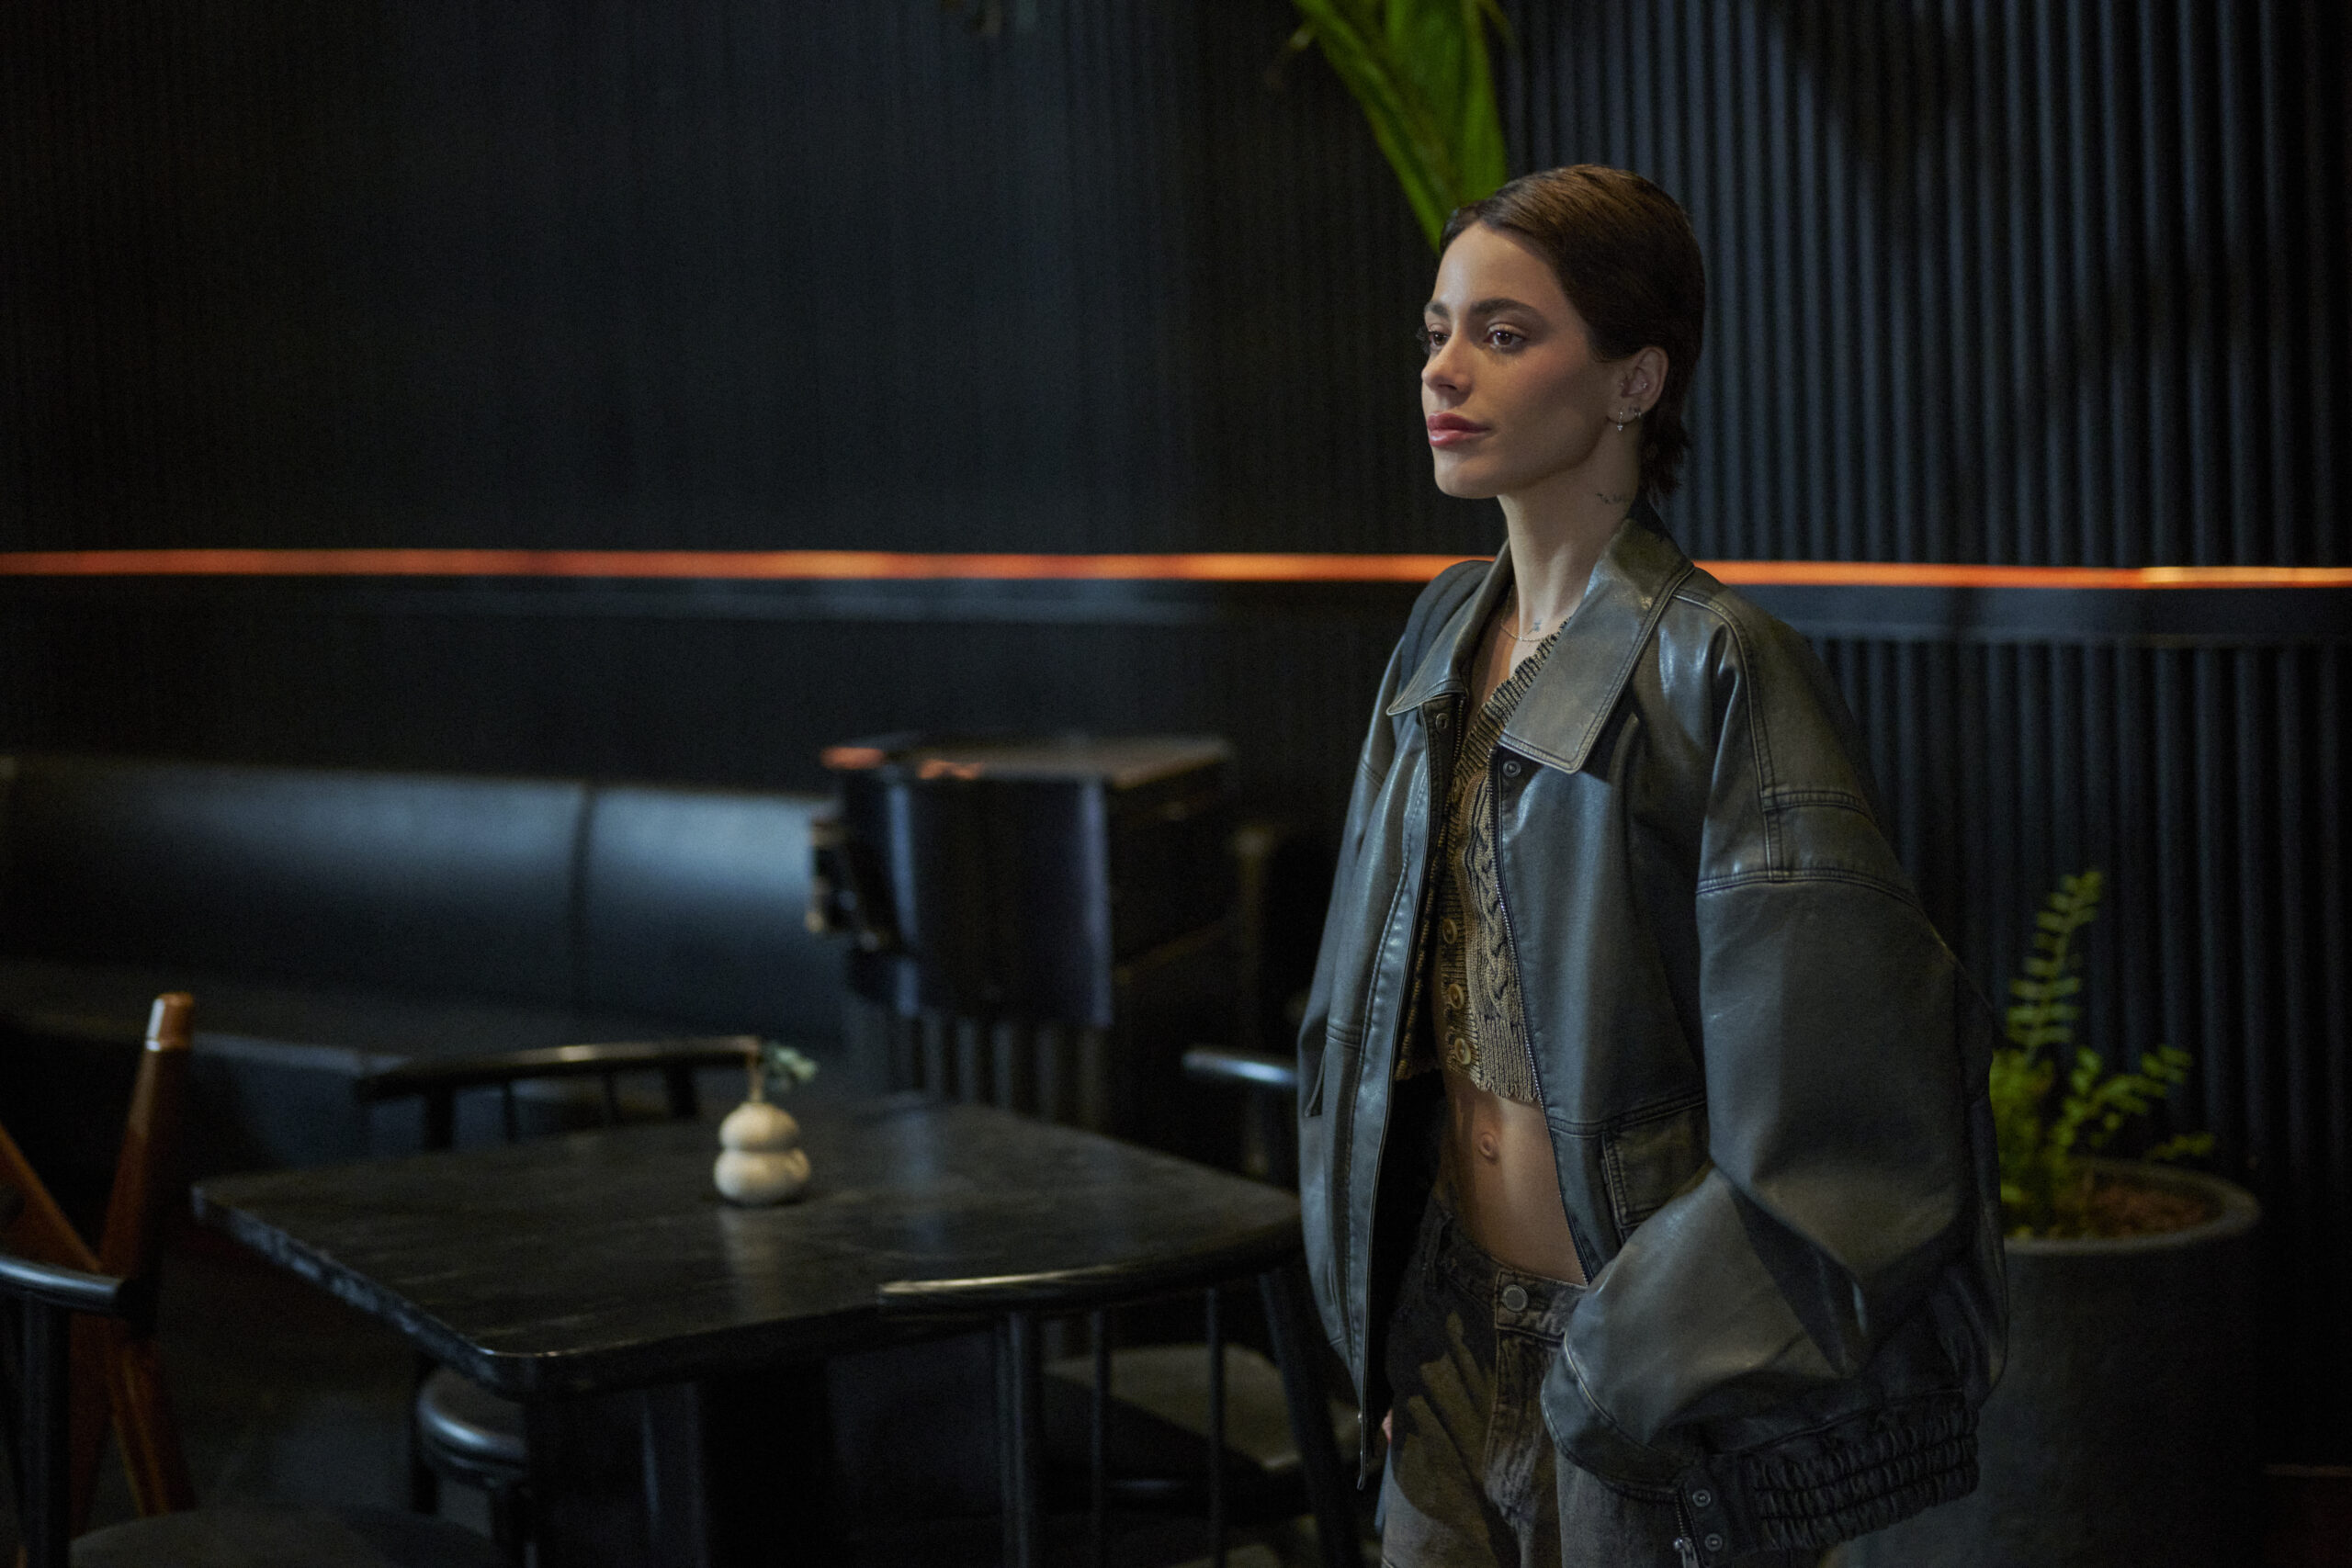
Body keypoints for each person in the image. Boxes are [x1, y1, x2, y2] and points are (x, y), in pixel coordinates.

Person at [1294, 165, 2006, 1568]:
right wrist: (1383, 1320)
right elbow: (1364, 1016)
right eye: (1438, 330)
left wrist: (1624, 1374)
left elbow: (1845, 1122)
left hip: (1639, 1380)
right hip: (1444, 1343)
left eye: (1504, 334)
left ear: (1634, 379)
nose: (1444, 369)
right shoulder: (1442, 633)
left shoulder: (1721, 668)